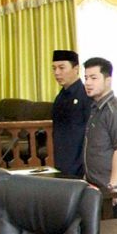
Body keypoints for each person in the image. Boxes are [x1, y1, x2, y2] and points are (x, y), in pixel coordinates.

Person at [82, 57, 117, 218]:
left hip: (111, 192)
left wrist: (113, 188)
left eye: (93, 78)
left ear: (108, 80)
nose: (88, 83)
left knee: (112, 233)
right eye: (86, 78)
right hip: (97, 187)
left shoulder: (115, 111)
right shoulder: (96, 107)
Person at [51, 49, 89, 177]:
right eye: (54, 68)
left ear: (76, 69)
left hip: (79, 164)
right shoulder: (60, 97)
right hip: (62, 160)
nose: (57, 73)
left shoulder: (85, 95)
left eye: (62, 68)